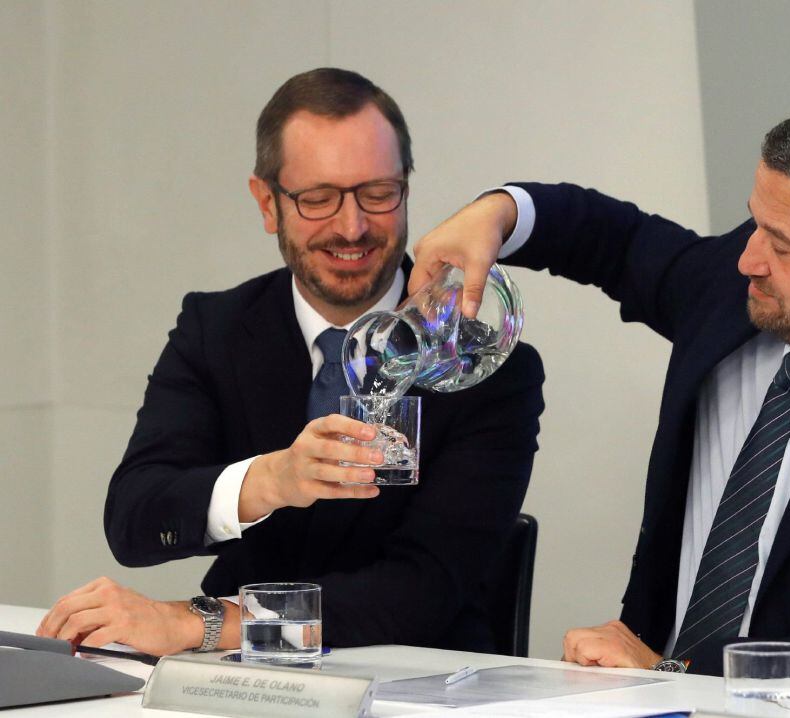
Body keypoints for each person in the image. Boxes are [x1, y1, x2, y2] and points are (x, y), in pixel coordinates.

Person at [410, 97, 790, 703]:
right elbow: (616, 241)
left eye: (781, 245)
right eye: (753, 221)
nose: (747, 258)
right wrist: (497, 214)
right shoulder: (735, 291)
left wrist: (673, 668)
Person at [36, 68, 544, 656]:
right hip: (239, 686)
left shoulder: (484, 362)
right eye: (318, 198)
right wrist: (270, 480)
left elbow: (418, 595)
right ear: (267, 203)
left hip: (419, 685)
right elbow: (135, 518)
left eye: (377, 194)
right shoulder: (216, 329)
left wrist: (201, 622)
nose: (351, 227)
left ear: (406, 186)